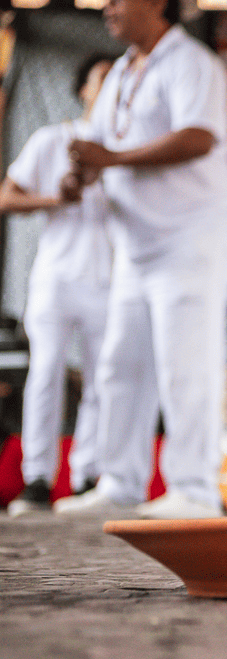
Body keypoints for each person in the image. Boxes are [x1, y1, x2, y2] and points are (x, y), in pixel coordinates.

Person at [54, 0, 227, 518]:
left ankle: (195, 490)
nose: (106, 8)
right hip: (136, 244)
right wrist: (82, 174)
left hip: (189, 237)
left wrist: (111, 159)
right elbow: (102, 146)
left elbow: (198, 136)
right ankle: (120, 482)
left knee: (186, 363)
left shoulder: (192, 62)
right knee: (121, 364)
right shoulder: (119, 72)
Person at [1, 54, 115, 516]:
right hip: (56, 277)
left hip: (110, 280)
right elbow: (6, 196)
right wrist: (56, 197)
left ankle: (88, 476)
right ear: (83, 88)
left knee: (102, 380)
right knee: (45, 372)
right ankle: (37, 479)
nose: (111, 85)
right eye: (102, 78)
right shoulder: (52, 139)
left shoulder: (130, 149)